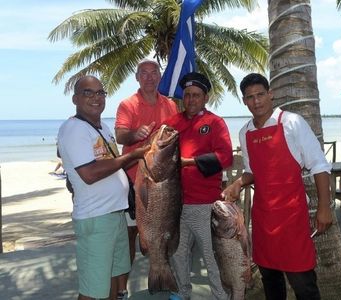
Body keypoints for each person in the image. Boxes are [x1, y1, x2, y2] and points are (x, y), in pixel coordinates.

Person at [221, 73, 333, 300]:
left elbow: (319, 165)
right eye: (250, 97)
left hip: (292, 218)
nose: (256, 101)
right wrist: (238, 183)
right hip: (263, 220)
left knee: (303, 284)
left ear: (270, 94)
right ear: (244, 101)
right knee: (270, 280)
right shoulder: (246, 132)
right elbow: (252, 171)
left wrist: (324, 207)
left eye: (260, 94)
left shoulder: (291, 122)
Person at [57, 75, 149, 300]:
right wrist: (131, 156)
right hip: (95, 218)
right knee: (91, 290)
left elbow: (108, 165)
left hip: (115, 215)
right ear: (75, 98)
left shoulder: (103, 128)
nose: (96, 98)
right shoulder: (74, 128)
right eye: (88, 92)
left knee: (113, 281)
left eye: (100, 93)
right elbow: (89, 174)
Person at [165, 72, 233, 300]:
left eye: (196, 95)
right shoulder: (173, 122)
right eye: (187, 95)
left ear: (205, 98)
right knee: (177, 252)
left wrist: (189, 162)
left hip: (205, 205)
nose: (191, 99)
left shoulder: (215, 123)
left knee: (211, 257)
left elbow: (225, 157)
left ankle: (221, 296)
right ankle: (182, 292)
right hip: (175, 204)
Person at [114, 58, 178, 296]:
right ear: (137, 77)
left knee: (165, 227)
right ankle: (122, 288)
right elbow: (120, 136)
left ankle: (165, 274)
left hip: (166, 179)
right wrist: (135, 134)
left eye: (154, 73)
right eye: (144, 73)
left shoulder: (170, 105)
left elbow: (175, 136)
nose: (150, 77)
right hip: (133, 178)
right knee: (131, 233)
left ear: (159, 77)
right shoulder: (128, 104)